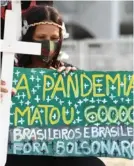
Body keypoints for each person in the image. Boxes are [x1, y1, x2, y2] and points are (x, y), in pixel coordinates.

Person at [1, 5, 106, 166]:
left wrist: (77, 86)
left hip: (60, 150)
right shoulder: (8, 73)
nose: (48, 45)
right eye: (41, 37)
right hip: (20, 151)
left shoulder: (67, 72)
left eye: (54, 38)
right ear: (28, 37)